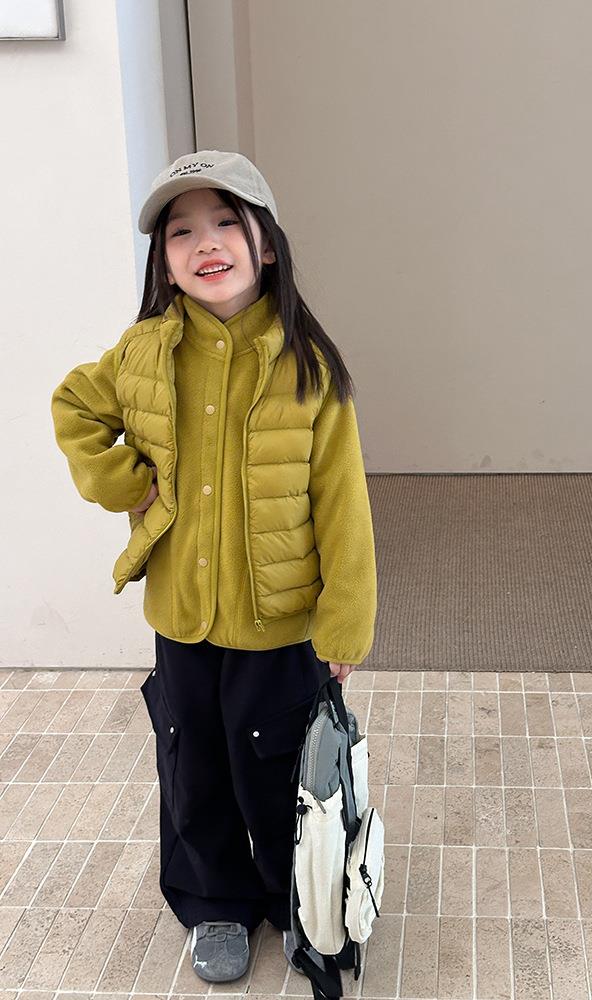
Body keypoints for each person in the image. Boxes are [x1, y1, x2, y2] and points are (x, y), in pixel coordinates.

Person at [50, 150, 377, 984]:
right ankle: (215, 902)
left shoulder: (309, 368)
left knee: (278, 769)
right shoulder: (144, 353)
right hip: (183, 617)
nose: (206, 242)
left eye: (227, 221)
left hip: (280, 622)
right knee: (194, 766)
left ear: (265, 244)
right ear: (164, 262)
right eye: (181, 231)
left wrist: (344, 622)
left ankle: (301, 899)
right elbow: (74, 406)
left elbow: (344, 505)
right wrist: (124, 481)